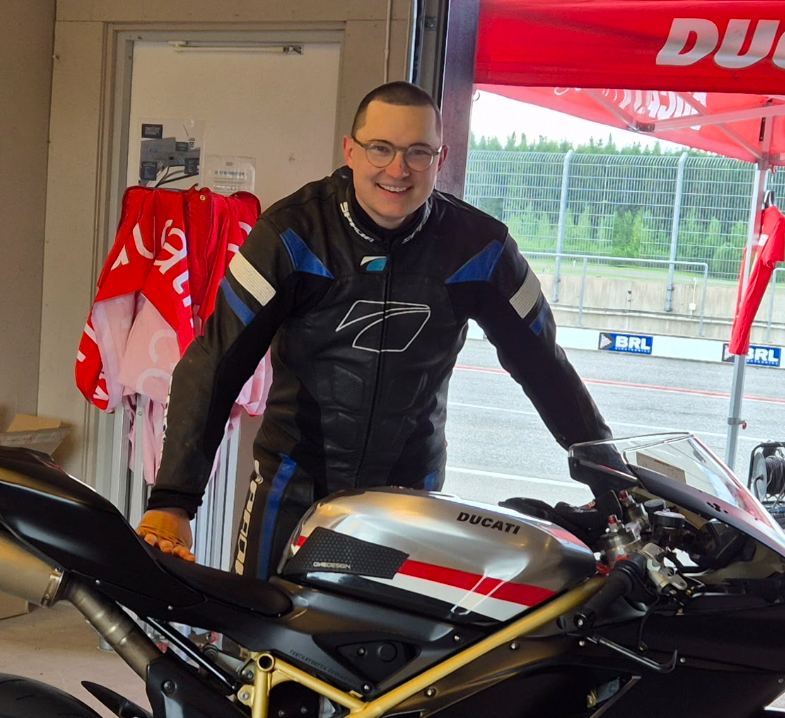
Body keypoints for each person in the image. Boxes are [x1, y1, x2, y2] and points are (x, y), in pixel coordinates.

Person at [136, 81, 612, 577]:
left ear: (441, 158)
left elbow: (544, 365)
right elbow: (216, 361)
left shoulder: (481, 249)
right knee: (260, 620)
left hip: (408, 493)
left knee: (386, 625)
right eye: (380, 148)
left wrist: (610, 475)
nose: (398, 170)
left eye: (418, 152)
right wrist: (173, 499)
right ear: (350, 150)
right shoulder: (291, 234)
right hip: (293, 484)